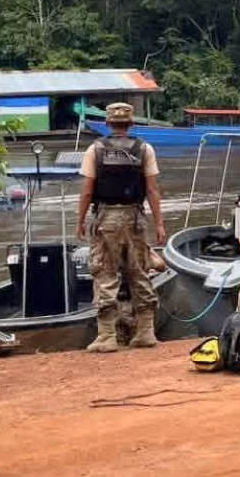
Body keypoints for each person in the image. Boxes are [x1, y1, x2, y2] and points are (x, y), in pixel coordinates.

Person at [76, 102, 165, 353]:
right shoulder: (144, 148)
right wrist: (159, 224)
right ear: (131, 123)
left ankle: (107, 336)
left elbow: (86, 192)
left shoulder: (95, 150)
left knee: (105, 273)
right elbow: (152, 190)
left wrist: (80, 221)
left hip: (106, 219)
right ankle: (146, 332)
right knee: (140, 271)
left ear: (106, 123)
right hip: (136, 217)